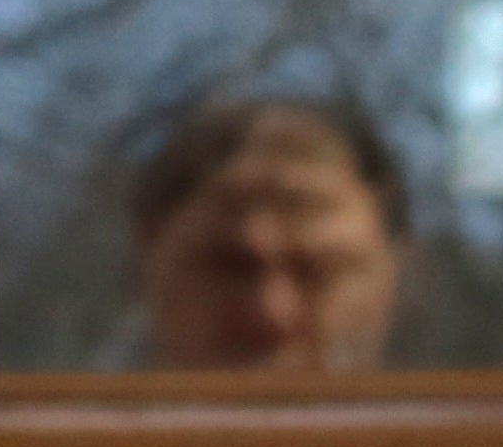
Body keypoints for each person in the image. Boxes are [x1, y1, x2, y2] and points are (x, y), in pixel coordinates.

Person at [128, 91, 412, 374]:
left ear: (393, 278)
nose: (273, 314)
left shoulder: (449, 413)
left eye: (317, 271)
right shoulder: (88, 413)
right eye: (228, 266)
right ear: (148, 263)